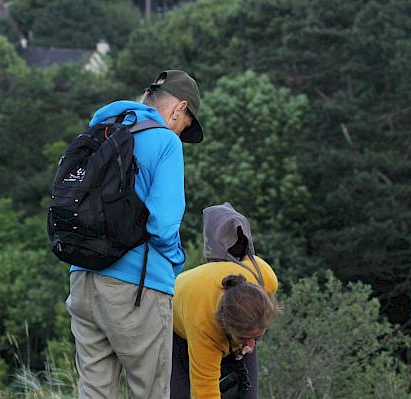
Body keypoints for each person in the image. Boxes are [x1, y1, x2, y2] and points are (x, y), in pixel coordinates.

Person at [65, 70, 204, 398]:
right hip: (137, 287)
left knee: (95, 391)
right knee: (150, 390)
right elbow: (163, 225)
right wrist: (175, 264)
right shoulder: (165, 141)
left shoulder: (101, 129)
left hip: (83, 279)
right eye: (184, 125)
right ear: (178, 108)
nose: (180, 133)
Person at [171, 203, 279, 399]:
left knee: (248, 395)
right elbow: (205, 392)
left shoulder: (264, 278)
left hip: (234, 322)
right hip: (177, 328)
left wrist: (245, 341)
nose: (251, 345)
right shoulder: (204, 325)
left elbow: (249, 331)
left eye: (257, 336)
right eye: (247, 338)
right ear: (227, 327)